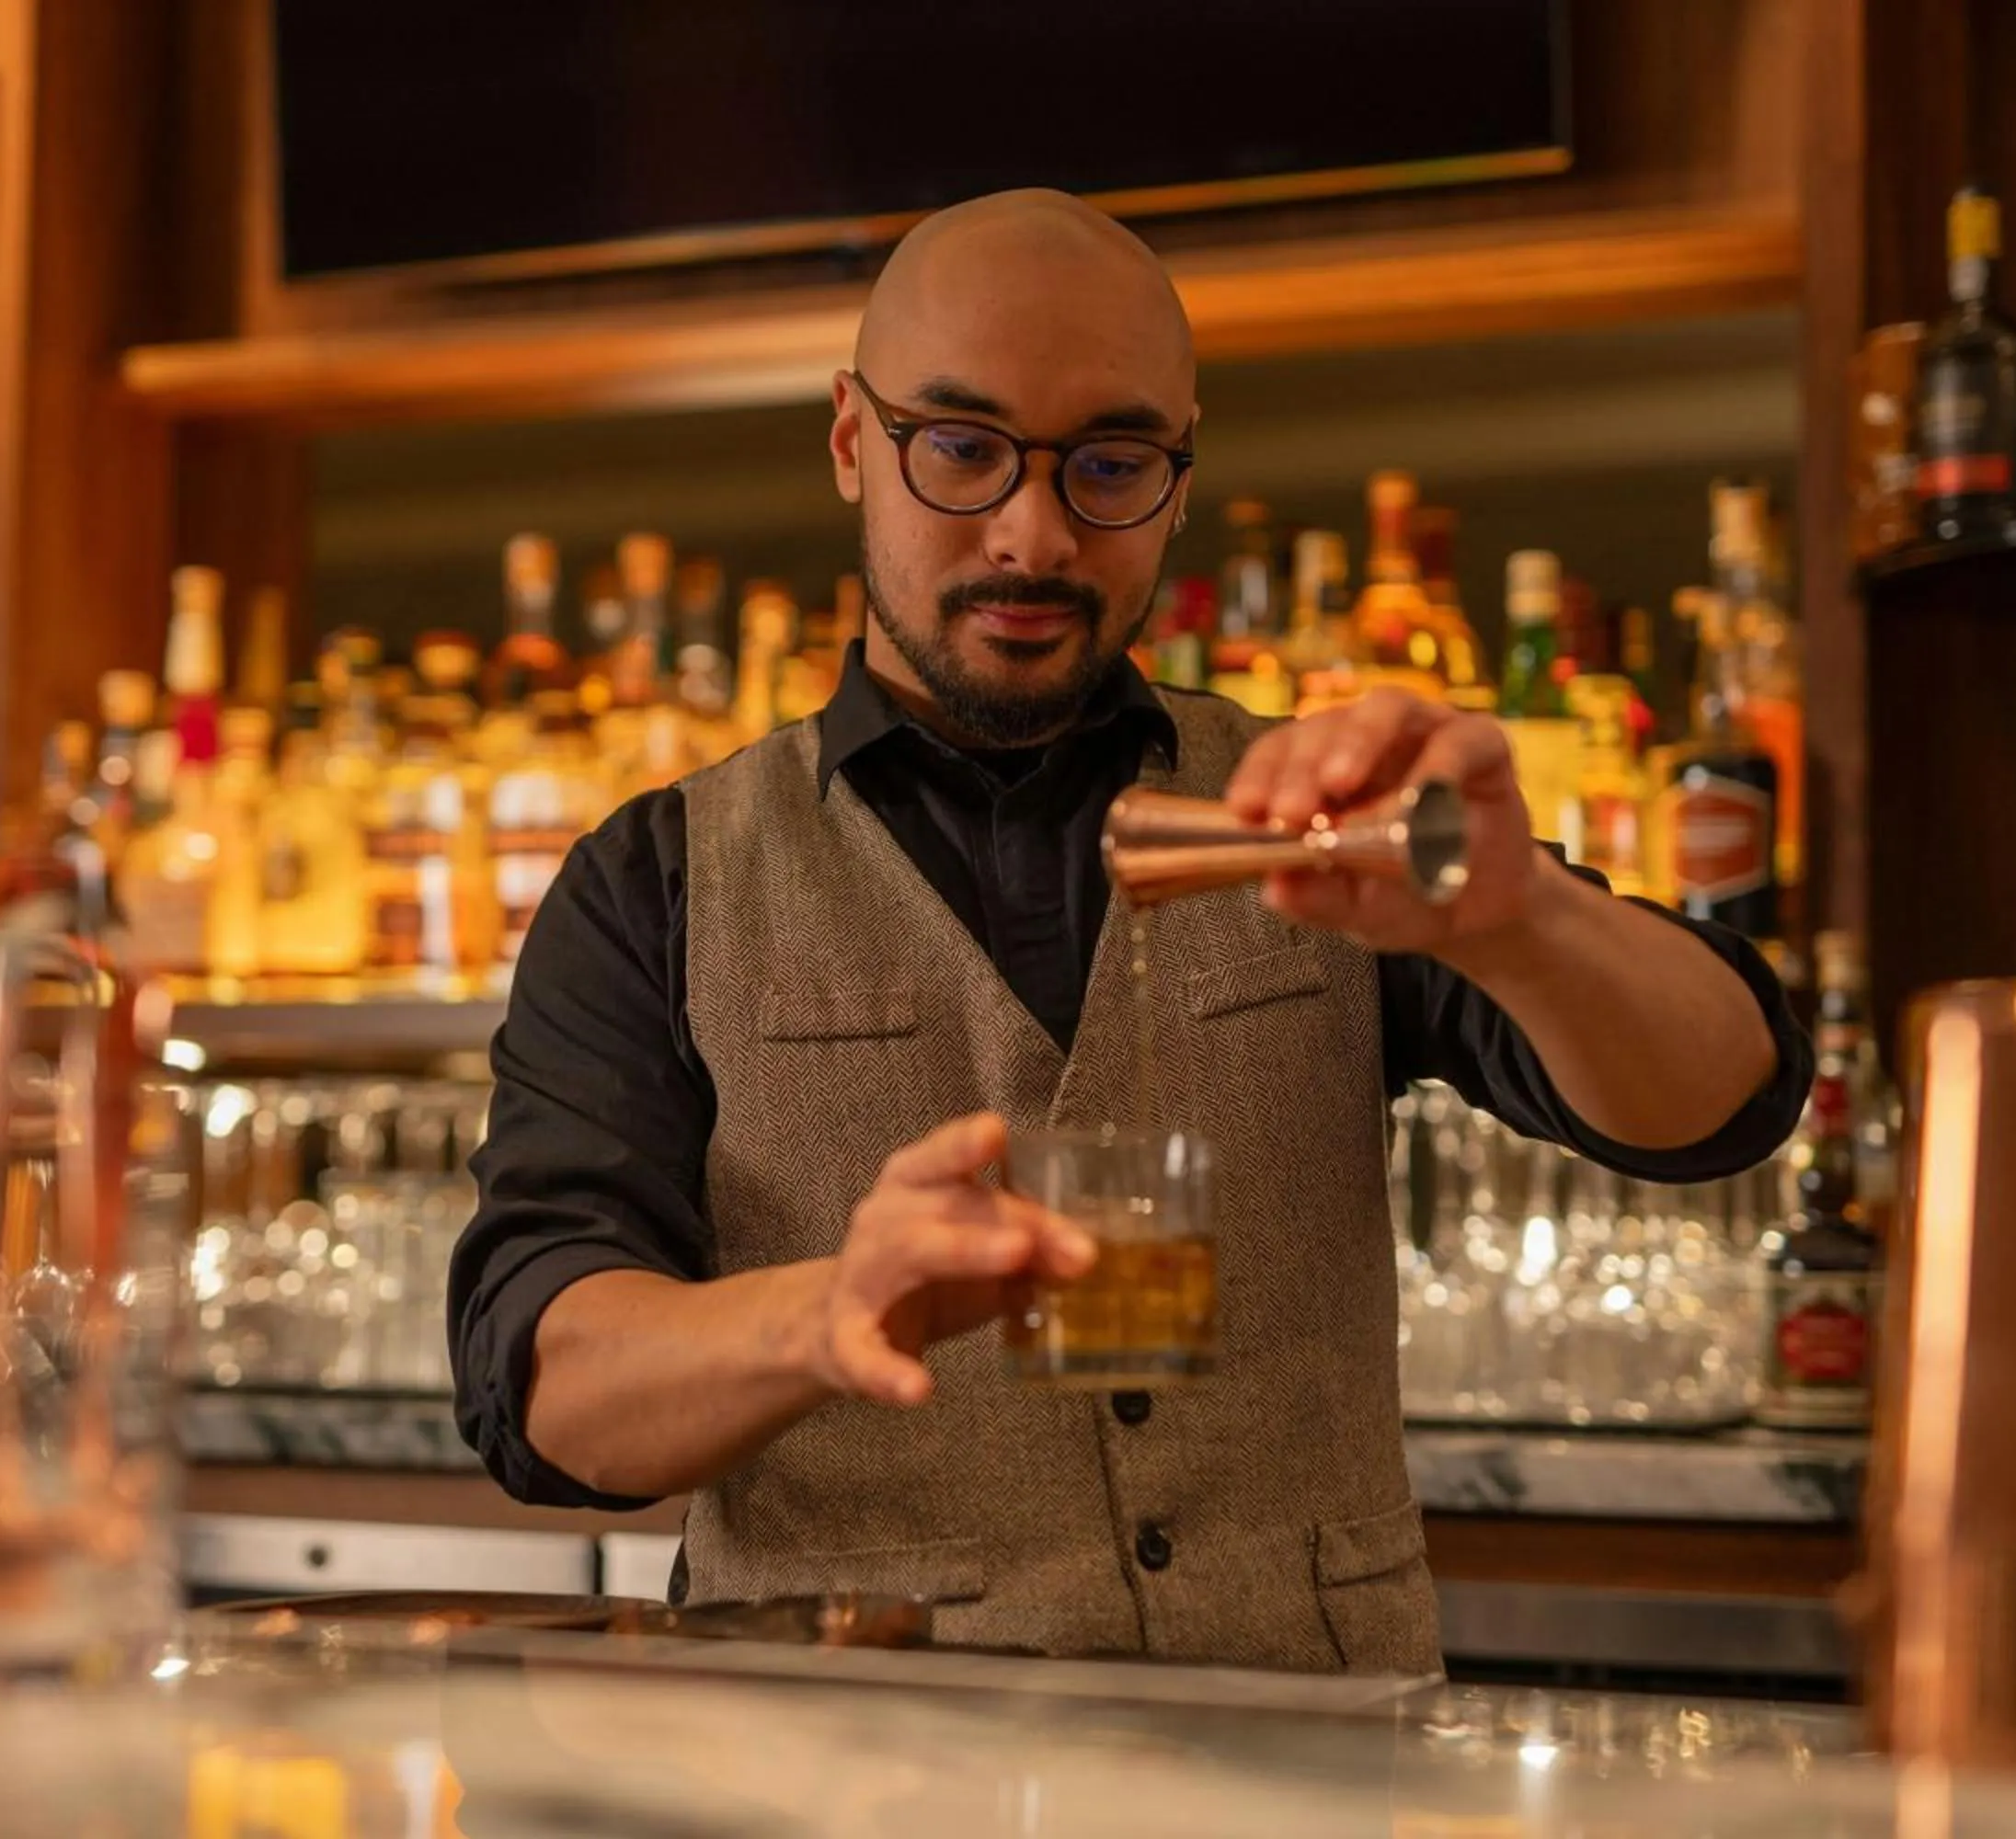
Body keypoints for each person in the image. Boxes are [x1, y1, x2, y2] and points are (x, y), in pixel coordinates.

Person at [449, 189, 1807, 1673]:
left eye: (1110, 464)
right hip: (850, 1781)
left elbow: (1725, 1104)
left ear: (1176, 474)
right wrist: (822, 1310)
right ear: (853, 440)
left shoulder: (1316, 808)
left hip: (1306, 1774)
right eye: (961, 450)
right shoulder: (660, 877)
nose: (1033, 534)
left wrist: (1523, 919)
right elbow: (544, 1385)